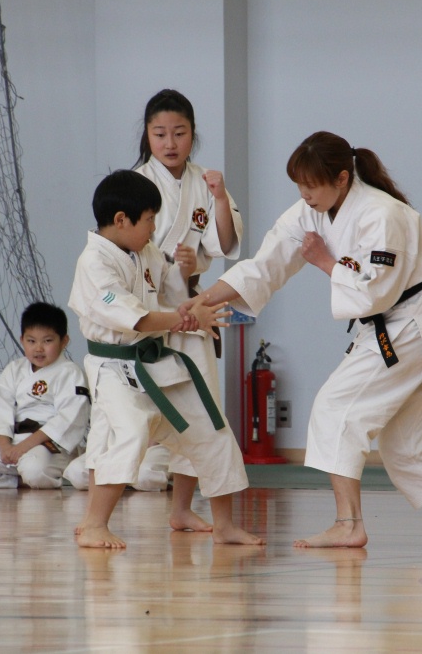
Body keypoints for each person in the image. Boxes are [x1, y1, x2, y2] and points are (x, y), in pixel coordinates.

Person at [189, 131, 422, 548]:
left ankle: (349, 524)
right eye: (299, 185)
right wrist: (201, 299)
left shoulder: (384, 214)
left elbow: (375, 292)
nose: (304, 194)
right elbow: (264, 267)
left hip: (409, 325)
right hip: (392, 327)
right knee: (406, 450)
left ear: (342, 178)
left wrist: (325, 262)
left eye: (312, 185)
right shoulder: (310, 212)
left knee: (336, 409)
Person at [67, 169, 262, 548]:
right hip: (115, 369)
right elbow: (138, 319)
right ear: (121, 220)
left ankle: (224, 525)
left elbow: (168, 288)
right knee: (129, 432)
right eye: (149, 219)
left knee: (213, 429)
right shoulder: (94, 263)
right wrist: (188, 319)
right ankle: (94, 525)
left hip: (157, 361)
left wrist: (185, 279)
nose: (154, 228)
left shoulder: (143, 251)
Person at [130, 88, 244, 529]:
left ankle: (181, 509)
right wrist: (165, 264)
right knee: (134, 413)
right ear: (147, 135)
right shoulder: (135, 183)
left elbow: (226, 243)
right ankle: (99, 510)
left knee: (202, 411)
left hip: (191, 310)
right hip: (146, 314)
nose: (170, 142)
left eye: (179, 133)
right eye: (160, 133)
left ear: (193, 134)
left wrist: (220, 199)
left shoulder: (205, 182)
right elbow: (123, 248)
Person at [0, 302, 89, 489]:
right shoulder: (14, 369)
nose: (38, 348)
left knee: (35, 470)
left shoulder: (70, 372)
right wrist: (6, 448)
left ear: (64, 341)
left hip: (49, 445)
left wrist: (24, 447)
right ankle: (17, 481)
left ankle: (35, 477)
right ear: (22, 340)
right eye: (31, 341)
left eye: (47, 341)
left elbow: (67, 419)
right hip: (14, 441)